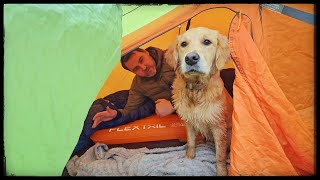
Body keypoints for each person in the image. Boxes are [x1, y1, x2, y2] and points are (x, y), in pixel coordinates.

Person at [69, 46, 176, 158]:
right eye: (136, 69)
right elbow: (130, 109)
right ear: (132, 72)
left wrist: (173, 105)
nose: (143, 67)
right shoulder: (138, 85)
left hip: (188, 105)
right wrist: (116, 114)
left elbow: (196, 86)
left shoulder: (175, 57)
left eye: (141, 59)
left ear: (146, 52)